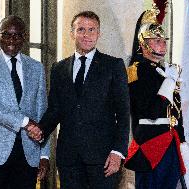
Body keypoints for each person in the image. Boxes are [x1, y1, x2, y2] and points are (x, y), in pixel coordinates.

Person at [27, 11, 130, 189]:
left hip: (103, 158)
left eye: (92, 30)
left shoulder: (113, 66)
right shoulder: (59, 68)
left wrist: (118, 152)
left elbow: (123, 113)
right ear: (72, 33)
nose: (87, 35)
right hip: (69, 159)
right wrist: (40, 130)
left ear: (99, 33)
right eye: (81, 29)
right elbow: (55, 110)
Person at [0, 15, 50, 189]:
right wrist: (25, 122)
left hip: (28, 155)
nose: (11, 40)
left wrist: (44, 155)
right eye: (6, 34)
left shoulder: (36, 68)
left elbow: (42, 113)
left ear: (25, 37)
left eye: (17, 35)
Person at [124, 6, 188, 189]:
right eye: (157, 41)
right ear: (144, 44)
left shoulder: (162, 71)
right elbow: (149, 111)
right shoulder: (137, 70)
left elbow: (175, 110)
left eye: (163, 41)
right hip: (150, 144)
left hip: (170, 141)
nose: (163, 44)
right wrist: (168, 82)